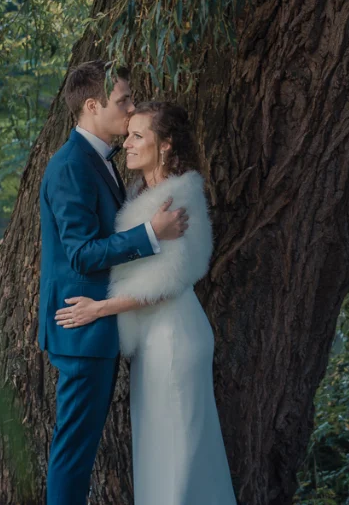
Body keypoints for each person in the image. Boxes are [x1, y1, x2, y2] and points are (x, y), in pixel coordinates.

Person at [55, 100, 236, 505]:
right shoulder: (145, 193)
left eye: (139, 136)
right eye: (129, 133)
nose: (128, 143)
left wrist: (97, 308)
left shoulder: (177, 198)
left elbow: (165, 282)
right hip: (155, 338)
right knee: (161, 451)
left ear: (166, 145)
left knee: (178, 455)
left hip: (174, 338)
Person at [38, 62, 189, 505]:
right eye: (123, 100)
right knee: (73, 454)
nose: (131, 108)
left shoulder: (97, 161)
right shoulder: (71, 167)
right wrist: (150, 235)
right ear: (91, 106)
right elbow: (82, 253)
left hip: (94, 327)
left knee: (78, 452)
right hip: (82, 327)